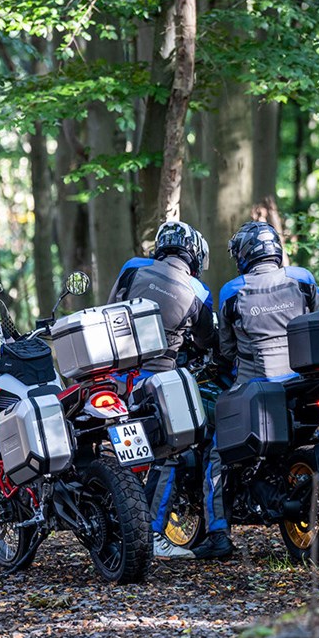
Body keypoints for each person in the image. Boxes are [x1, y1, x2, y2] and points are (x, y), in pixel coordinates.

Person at [190, 220, 319, 560]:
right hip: (306, 384)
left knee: (216, 455)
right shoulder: (303, 279)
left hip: (256, 388)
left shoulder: (232, 291)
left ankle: (218, 536)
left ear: (244, 255)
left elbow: (227, 350)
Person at [108, 220, 217, 559]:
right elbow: (206, 340)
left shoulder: (132, 268)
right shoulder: (198, 290)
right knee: (172, 452)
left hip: (114, 379)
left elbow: (111, 309)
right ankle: (153, 533)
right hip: (156, 382)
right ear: (194, 255)